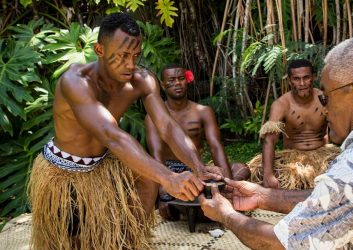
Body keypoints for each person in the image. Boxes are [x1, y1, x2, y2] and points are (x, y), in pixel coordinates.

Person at [28, 13, 220, 249]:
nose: (130, 65)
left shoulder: (142, 80)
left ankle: (128, 243)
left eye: (135, 55)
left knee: (147, 182)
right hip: (64, 172)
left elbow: (167, 126)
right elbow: (112, 135)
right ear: (99, 49)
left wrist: (198, 168)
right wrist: (168, 177)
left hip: (105, 165)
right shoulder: (76, 82)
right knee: (72, 242)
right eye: (121, 56)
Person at [199, 34, 353, 249]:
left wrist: (226, 215)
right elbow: (342, 200)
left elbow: (282, 243)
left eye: (327, 98)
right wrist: (264, 194)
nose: (325, 108)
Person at [145, 64, 250, 220]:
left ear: (187, 81)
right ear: (162, 84)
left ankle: (206, 198)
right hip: (169, 172)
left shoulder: (202, 111)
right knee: (145, 181)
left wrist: (228, 184)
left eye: (181, 79)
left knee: (241, 168)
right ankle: (178, 202)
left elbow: (216, 147)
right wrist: (163, 193)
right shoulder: (153, 117)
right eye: (171, 80)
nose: (177, 83)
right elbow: (156, 154)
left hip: (196, 168)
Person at [249, 59, 339, 189]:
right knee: (261, 175)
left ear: (313, 77)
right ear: (290, 81)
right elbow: (270, 140)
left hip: (323, 155)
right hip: (292, 158)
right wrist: (268, 175)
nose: (302, 83)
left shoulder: (324, 98)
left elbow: (339, 129)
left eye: (306, 78)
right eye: (296, 79)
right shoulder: (281, 104)